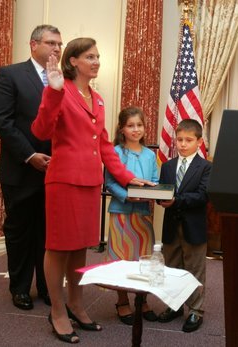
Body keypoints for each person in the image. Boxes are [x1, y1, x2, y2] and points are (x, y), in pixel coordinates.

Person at [31, 37, 153, 344]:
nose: (96, 61)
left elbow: (104, 146)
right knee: (59, 246)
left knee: (80, 247)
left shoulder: (97, 99)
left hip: (90, 183)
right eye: (90, 56)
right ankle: (58, 311)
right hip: (63, 181)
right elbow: (41, 131)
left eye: (98, 56)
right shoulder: (60, 90)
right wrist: (53, 92)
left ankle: (76, 303)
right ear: (73, 61)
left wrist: (127, 177)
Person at [0, 24, 62, 311]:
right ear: (33, 45)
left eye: (59, 43)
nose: (57, 48)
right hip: (20, 170)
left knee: (47, 233)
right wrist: (30, 155)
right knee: (20, 231)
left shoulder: (63, 80)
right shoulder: (10, 74)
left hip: (55, 171)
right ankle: (20, 288)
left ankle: (47, 287)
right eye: (51, 42)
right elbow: (1, 121)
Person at [104, 106, 159, 325]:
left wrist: (153, 193)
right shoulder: (115, 153)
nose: (136, 129)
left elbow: (154, 181)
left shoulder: (149, 154)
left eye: (139, 125)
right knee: (121, 259)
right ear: (122, 129)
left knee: (143, 259)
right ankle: (122, 301)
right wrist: (127, 196)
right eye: (130, 125)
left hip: (143, 216)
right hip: (121, 213)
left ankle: (142, 300)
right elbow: (109, 182)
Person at [156, 119, 212, 333]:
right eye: (179, 139)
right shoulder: (168, 166)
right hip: (171, 226)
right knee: (172, 268)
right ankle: (174, 305)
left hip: (193, 227)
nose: (182, 144)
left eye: (188, 140)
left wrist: (176, 201)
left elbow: (202, 196)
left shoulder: (205, 167)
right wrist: (157, 196)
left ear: (199, 142)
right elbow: (164, 191)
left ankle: (196, 310)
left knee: (194, 269)